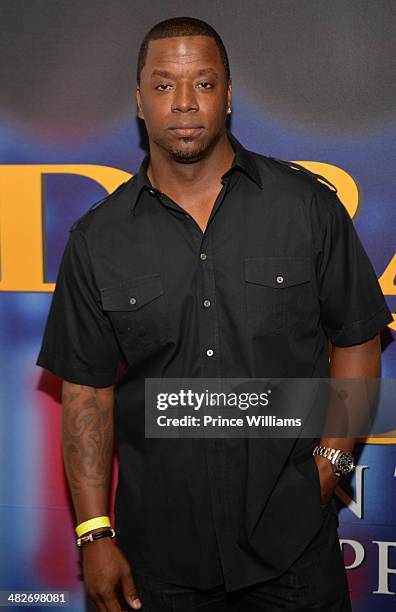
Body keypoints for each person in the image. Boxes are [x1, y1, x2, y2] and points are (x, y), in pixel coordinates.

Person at [36, 16, 393, 612]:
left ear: (228, 95)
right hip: (160, 563)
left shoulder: (306, 207)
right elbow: (87, 393)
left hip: (294, 549)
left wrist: (330, 466)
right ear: (140, 101)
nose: (183, 103)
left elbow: (356, 340)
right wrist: (94, 532)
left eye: (202, 83)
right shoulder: (98, 241)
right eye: (163, 84)